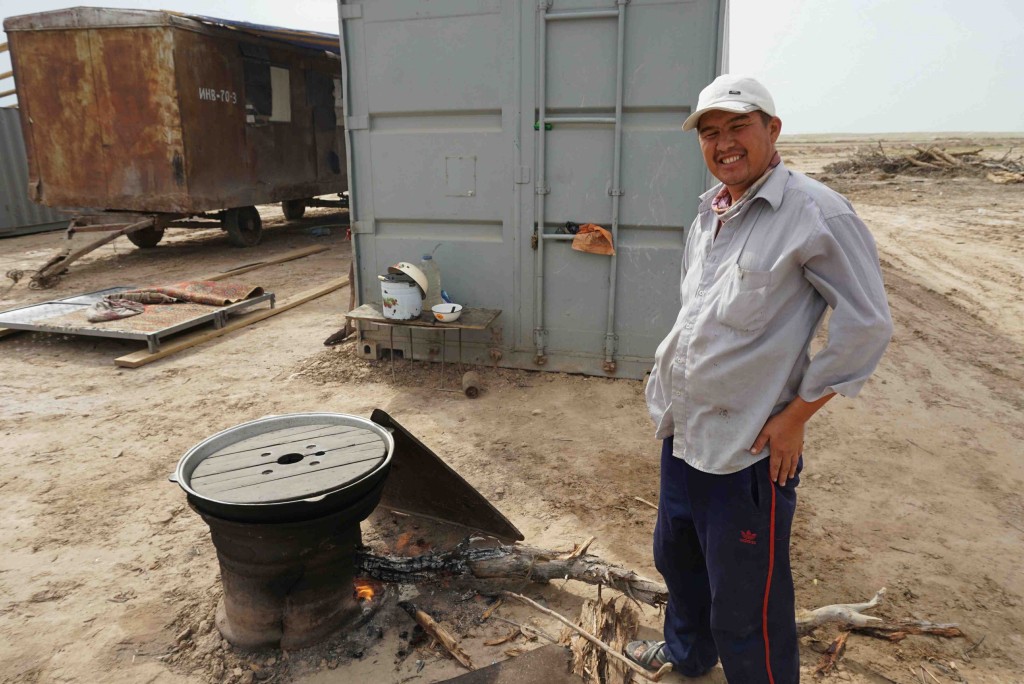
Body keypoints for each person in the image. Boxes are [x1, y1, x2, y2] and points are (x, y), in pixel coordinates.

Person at [626, 75, 893, 682]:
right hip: (686, 432)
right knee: (679, 560)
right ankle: (689, 656)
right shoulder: (711, 210)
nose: (724, 144)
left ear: (773, 130)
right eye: (710, 133)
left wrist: (796, 417)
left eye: (738, 127)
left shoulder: (816, 212)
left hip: (748, 451)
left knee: (749, 602)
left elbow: (868, 324)